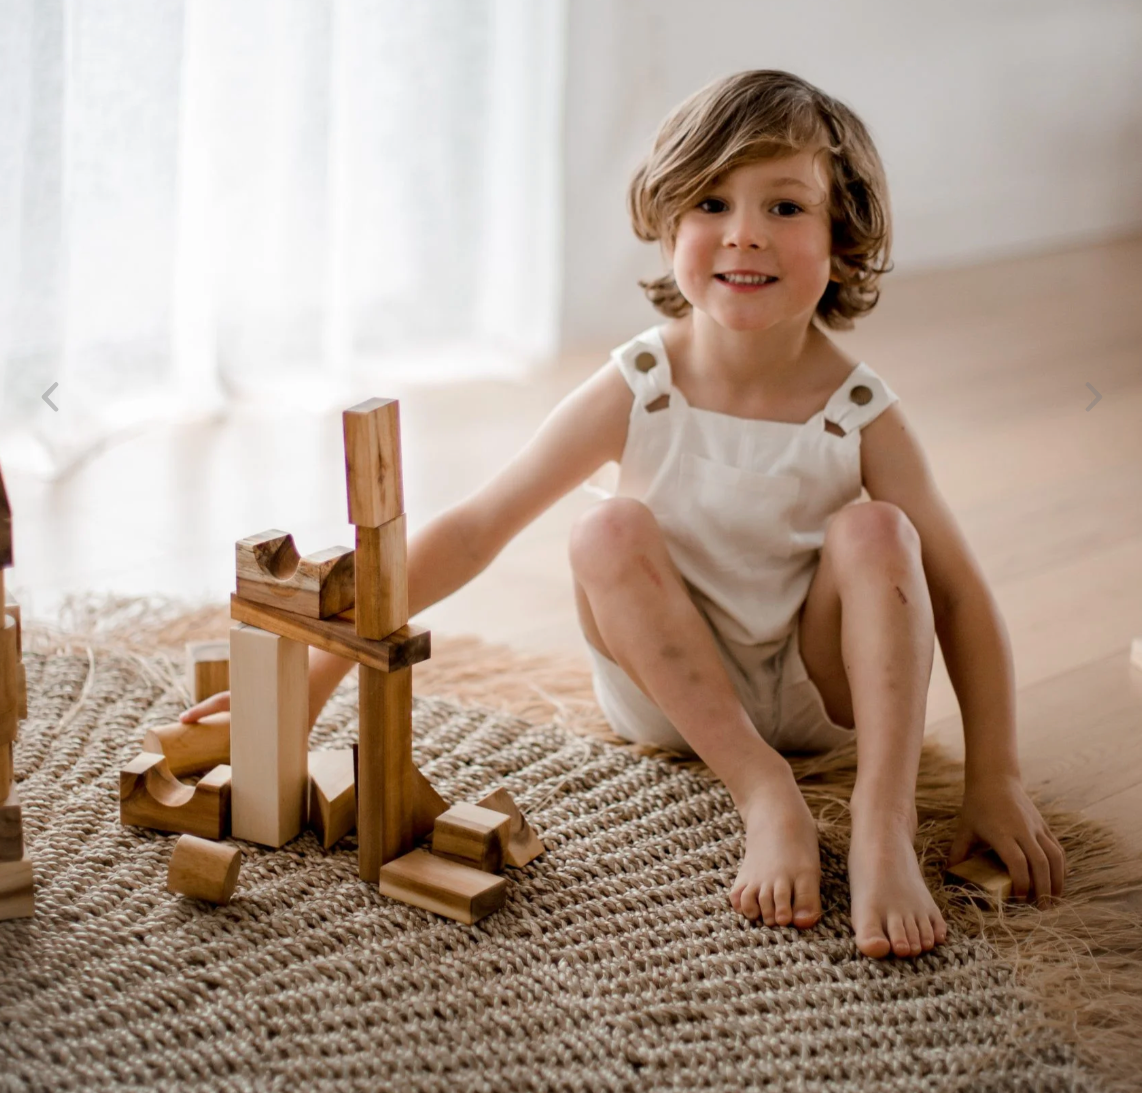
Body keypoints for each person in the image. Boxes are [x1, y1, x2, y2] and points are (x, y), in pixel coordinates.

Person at [183, 69, 1065, 959]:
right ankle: (764, 793)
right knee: (604, 527)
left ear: (845, 232)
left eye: (786, 207)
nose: (744, 233)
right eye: (712, 202)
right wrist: (311, 678)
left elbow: (954, 596)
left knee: (882, 533)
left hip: (818, 694)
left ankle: (882, 820)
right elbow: (478, 527)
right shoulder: (641, 384)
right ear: (669, 222)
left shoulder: (860, 408)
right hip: (671, 701)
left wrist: (996, 775)